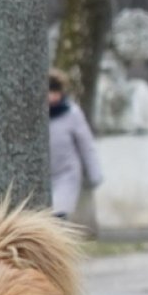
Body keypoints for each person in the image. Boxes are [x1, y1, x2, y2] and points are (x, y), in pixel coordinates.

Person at [48, 69, 103, 220]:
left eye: (54, 91)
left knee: (58, 213)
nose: (51, 96)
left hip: (66, 173)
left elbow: (86, 145)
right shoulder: (37, 116)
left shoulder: (71, 113)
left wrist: (94, 173)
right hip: (44, 175)